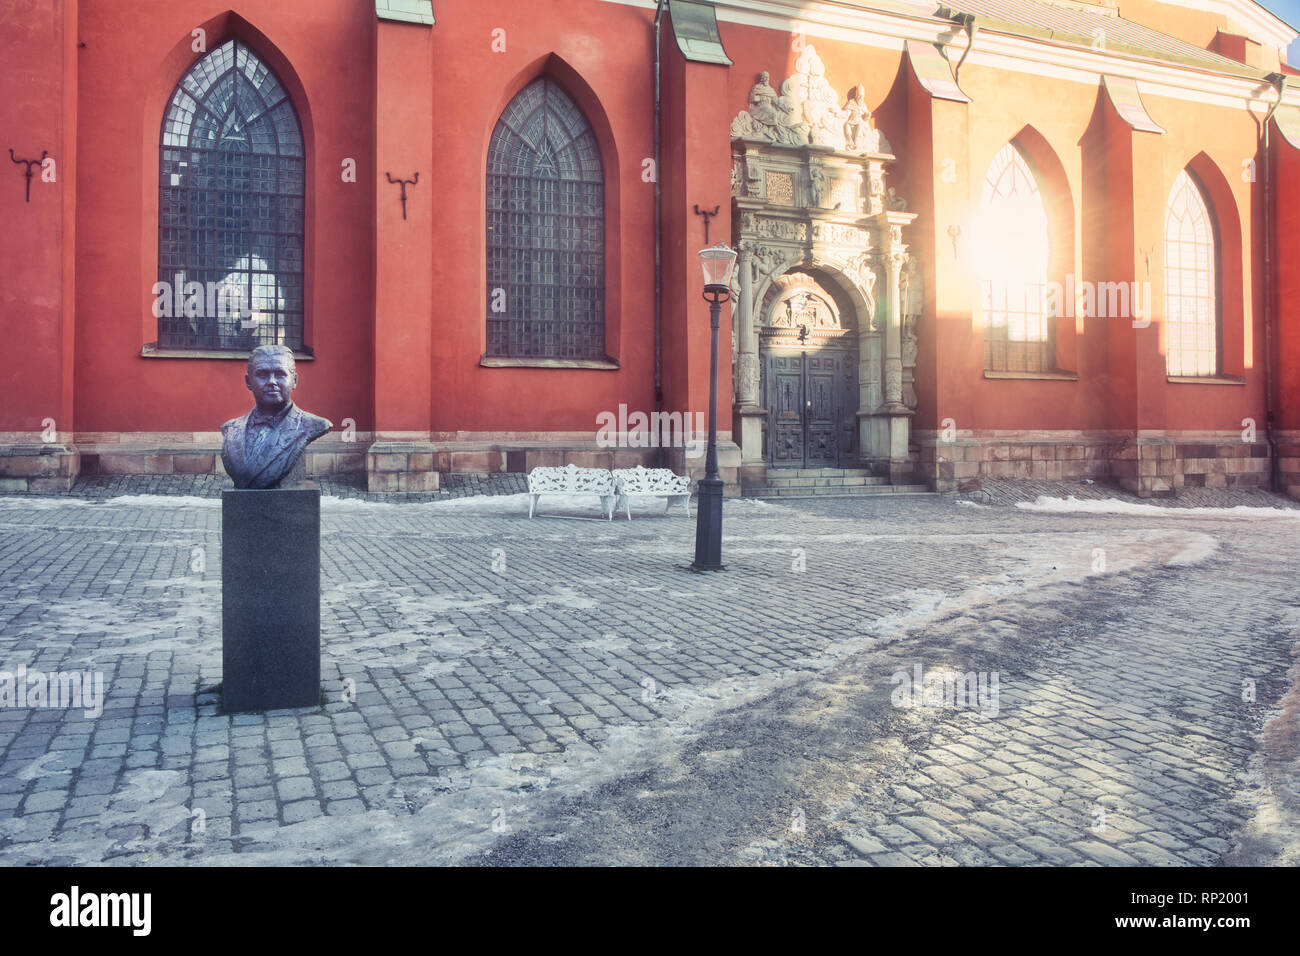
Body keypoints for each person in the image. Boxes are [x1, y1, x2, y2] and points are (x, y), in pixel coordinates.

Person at [221, 345, 332, 489]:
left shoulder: (313, 425)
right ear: (248, 382)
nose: (272, 381)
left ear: (295, 381)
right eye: (262, 374)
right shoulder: (231, 429)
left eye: (280, 374)